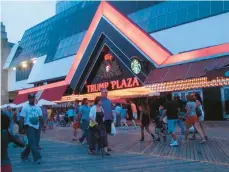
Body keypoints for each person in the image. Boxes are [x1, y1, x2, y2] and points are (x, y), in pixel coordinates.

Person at [19, 93, 45, 164]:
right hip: (29, 126)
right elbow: (21, 118)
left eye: (33, 98)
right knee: (33, 143)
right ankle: (37, 158)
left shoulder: (38, 107)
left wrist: (43, 126)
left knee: (34, 143)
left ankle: (24, 155)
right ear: (28, 99)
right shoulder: (25, 107)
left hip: (37, 126)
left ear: (35, 98)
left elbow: (41, 117)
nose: (32, 99)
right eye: (30, 98)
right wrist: (21, 128)